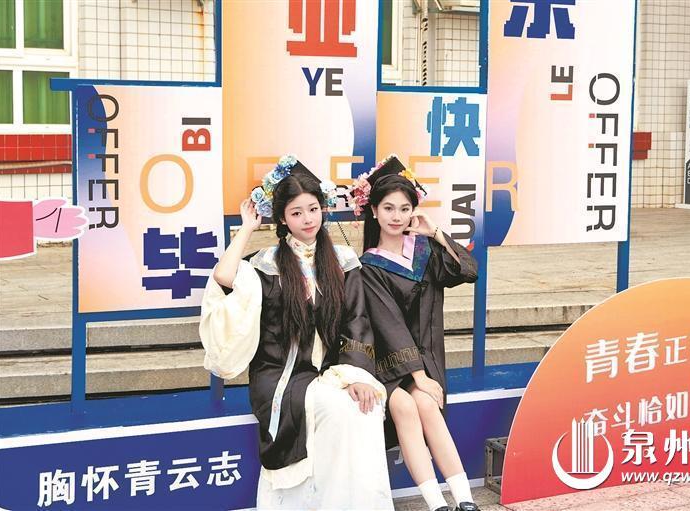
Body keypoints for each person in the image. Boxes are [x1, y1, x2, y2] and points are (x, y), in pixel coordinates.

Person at [200, 155, 393, 510]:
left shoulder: (343, 261)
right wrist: (246, 228)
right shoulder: (266, 264)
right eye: (296, 212)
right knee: (337, 409)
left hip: (332, 370)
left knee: (365, 407)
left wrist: (355, 375)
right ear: (282, 219)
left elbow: (357, 321)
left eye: (313, 209)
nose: (308, 219)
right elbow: (224, 279)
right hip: (282, 374)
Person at [350, 156, 480, 511]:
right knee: (406, 405)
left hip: (427, 355)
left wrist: (435, 232)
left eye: (405, 209)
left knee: (424, 404)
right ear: (374, 211)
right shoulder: (369, 266)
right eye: (388, 208)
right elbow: (389, 324)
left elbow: (468, 270)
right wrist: (419, 376)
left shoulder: (424, 250)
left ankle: (465, 501)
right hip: (388, 362)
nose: (397, 216)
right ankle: (436, 503)